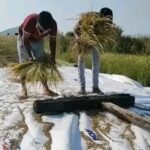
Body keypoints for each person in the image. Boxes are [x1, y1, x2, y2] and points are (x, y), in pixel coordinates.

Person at [17, 11, 58, 99]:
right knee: (23, 65)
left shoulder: (53, 25)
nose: (41, 32)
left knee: (41, 64)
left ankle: (46, 89)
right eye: (40, 29)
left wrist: (53, 58)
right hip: (23, 39)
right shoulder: (30, 21)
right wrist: (30, 56)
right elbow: (25, 40)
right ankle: (24, 90)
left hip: (37, 41)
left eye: (44, 31)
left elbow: (53, 42)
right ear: (37, 23)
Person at [74, 7, 113, 94]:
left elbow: (103, 34)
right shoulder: (88, 17)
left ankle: (95, 87)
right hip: (82, 40)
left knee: (96, 61)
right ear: (102, 16)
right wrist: (78, 38)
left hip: (93, 41)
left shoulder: (104, 24)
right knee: (81, 62)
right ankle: (82, 88)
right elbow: (75, 29)